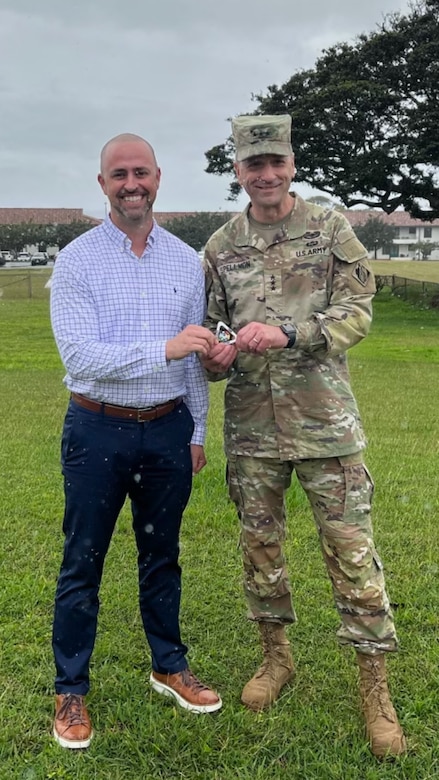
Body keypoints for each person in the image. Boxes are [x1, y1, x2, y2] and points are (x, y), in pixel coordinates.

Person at [201, 115, 405, 759]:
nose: (265, 175)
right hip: (253, 429)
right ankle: (276, 659)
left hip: (325, 424)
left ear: (291, 165)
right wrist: (213, 356)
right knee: (260, 551)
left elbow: (356, 312)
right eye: (253, 165)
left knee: (352, 555)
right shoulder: (220, 247)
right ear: (239, 172)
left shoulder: (329, 229)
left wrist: (292, 333)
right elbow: (211, 328)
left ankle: (375, 690)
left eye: (276, 163)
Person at [50, 132, 222, 750]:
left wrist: (197, 429)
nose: (131, 184)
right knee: (83, 560)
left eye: (140, 172)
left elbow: (196, 359)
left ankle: (168, 665)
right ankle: (71, 691)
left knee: (163, 554)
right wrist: (164, 348)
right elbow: (79, 356)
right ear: (103, 184)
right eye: (118, 174)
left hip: (168, 428)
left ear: (158, 178)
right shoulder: (76, 261)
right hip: (97, 427)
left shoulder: (186, 261)